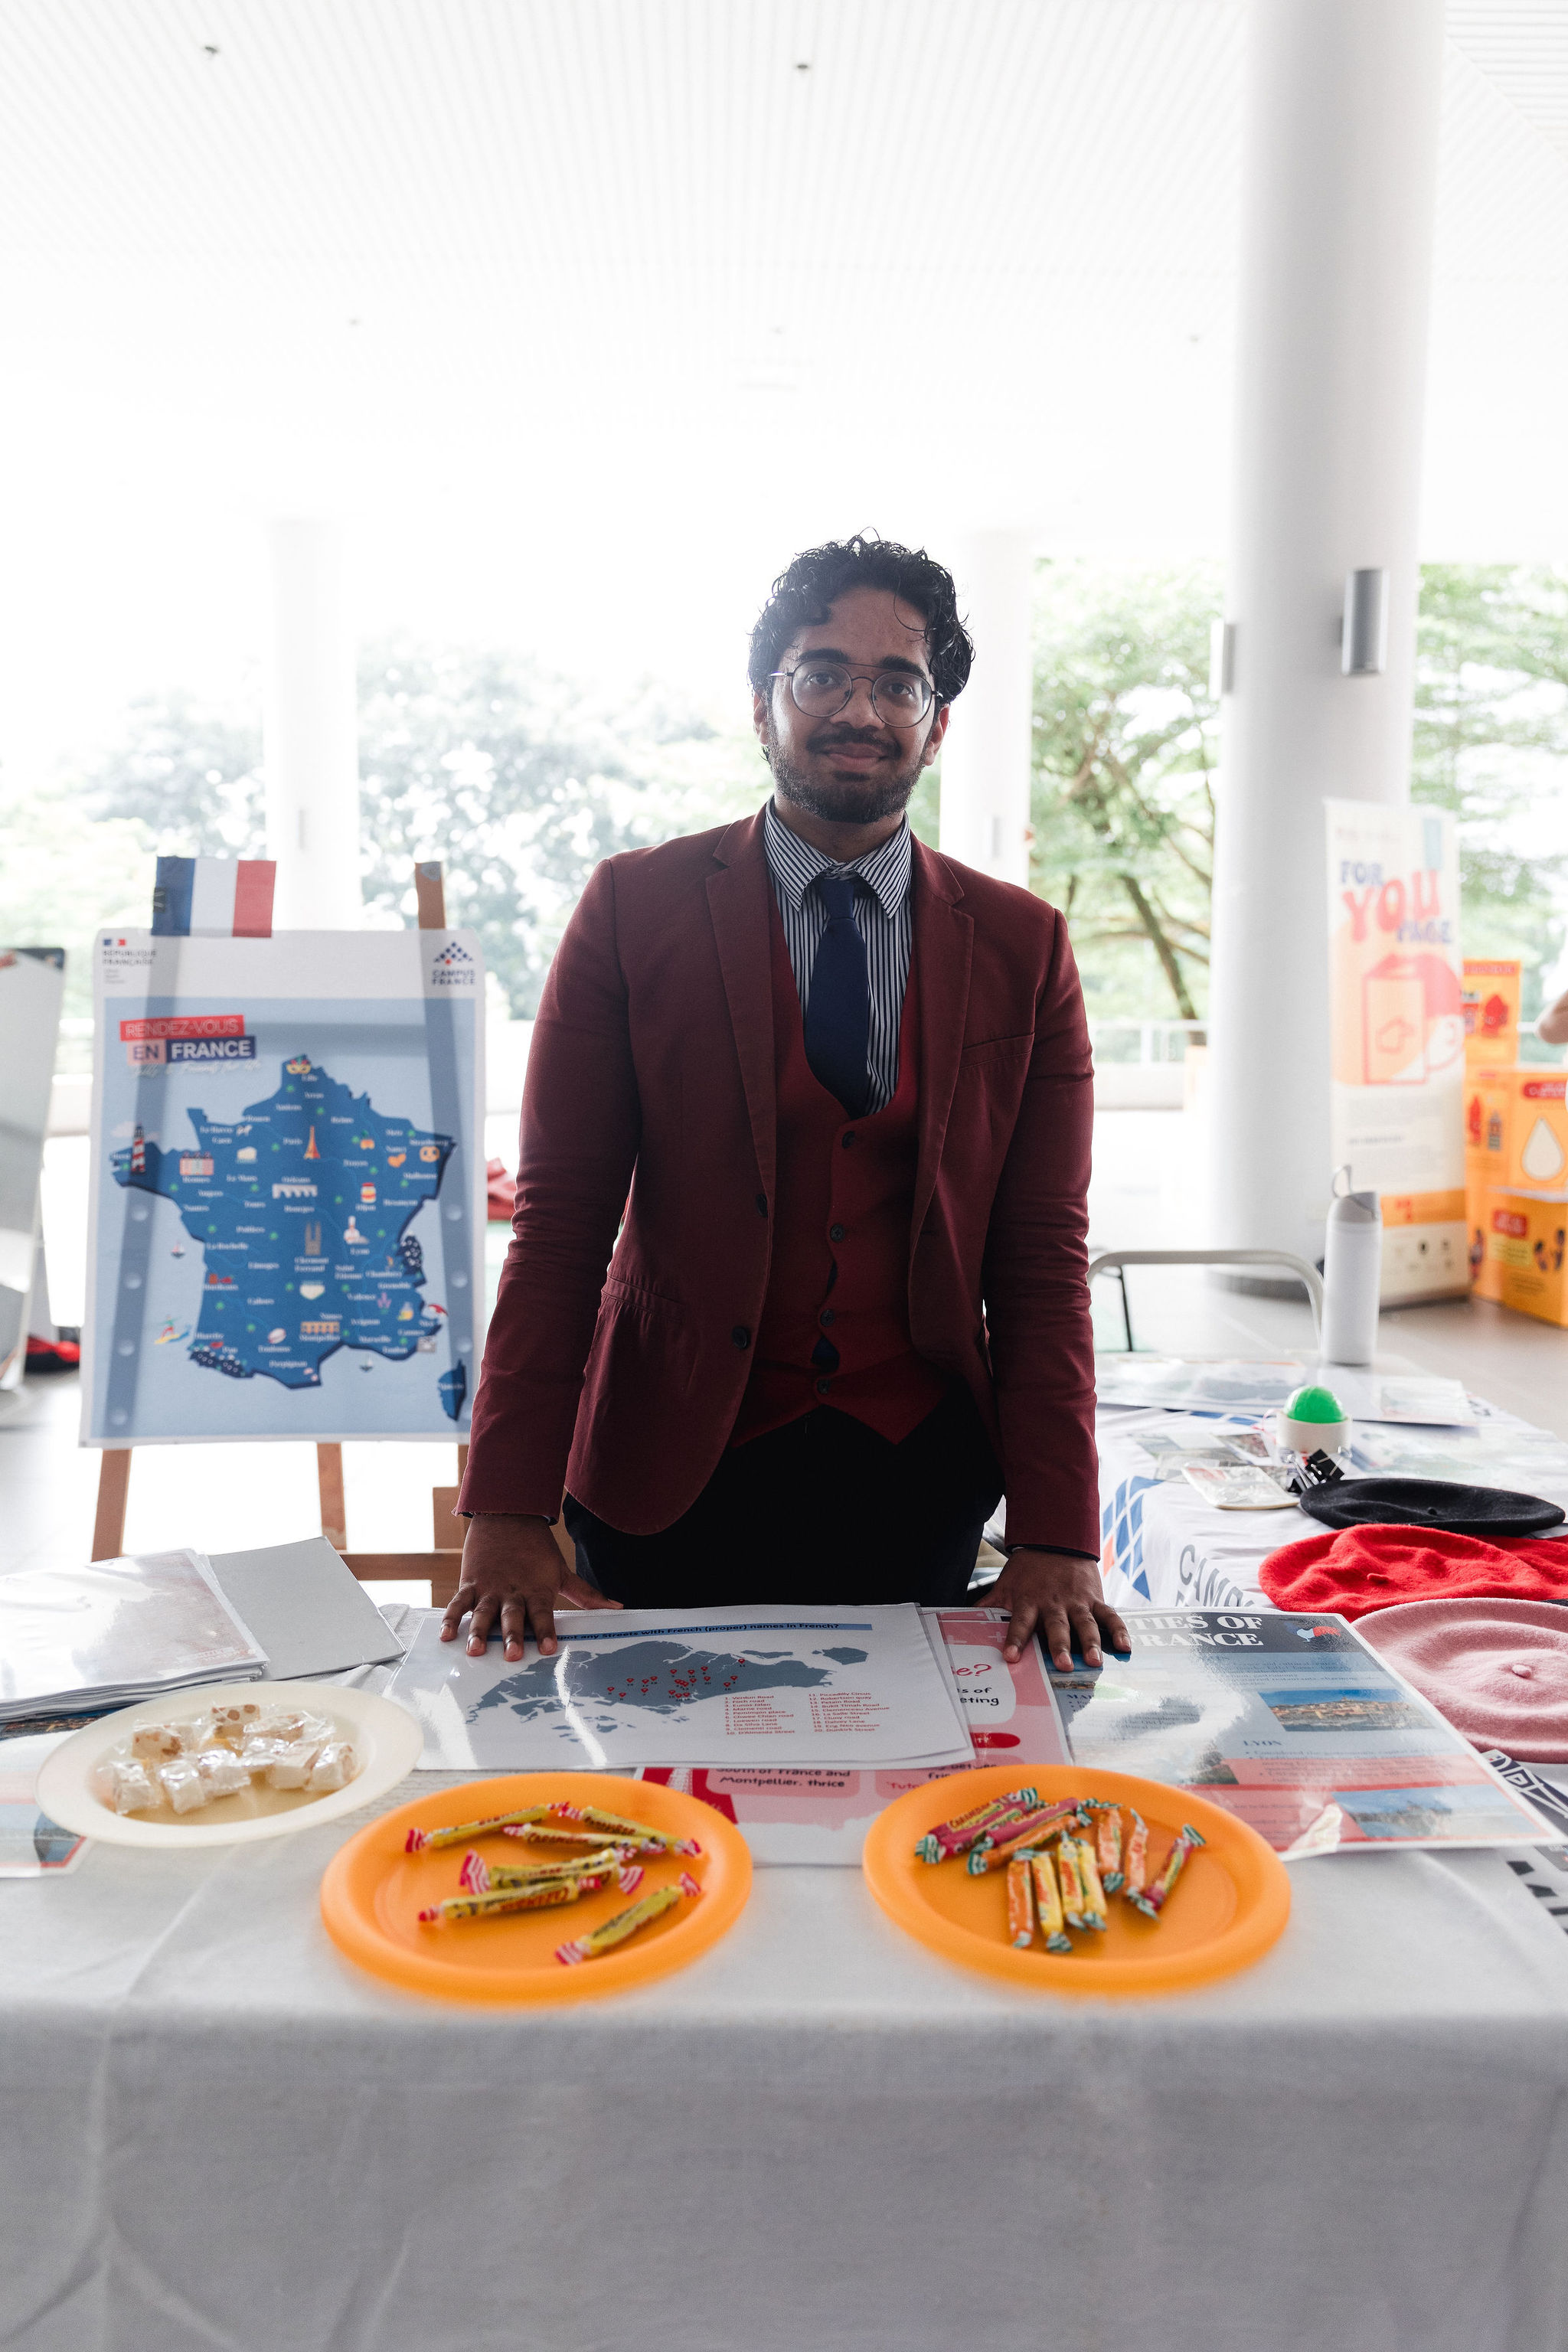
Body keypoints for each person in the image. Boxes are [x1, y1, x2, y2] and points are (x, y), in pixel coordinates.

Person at [445, 534, 1125, 1674]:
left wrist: (1059, 1532)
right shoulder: (632, 910)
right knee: (659, 1774)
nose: (860, 709)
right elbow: (560, 1226)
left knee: (899, 1769)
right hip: (666, 1469)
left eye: (899, 682)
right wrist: (507, 1505)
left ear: (937, 726)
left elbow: (1043, 1255)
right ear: (764, 706)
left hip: (917, 1482)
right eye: (821, 674)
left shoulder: (1024, 945)